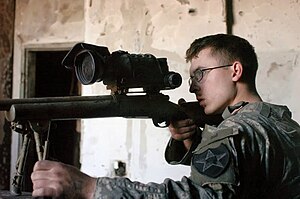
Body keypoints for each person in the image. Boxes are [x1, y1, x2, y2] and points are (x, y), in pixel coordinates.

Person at [31, 34, 300, 198]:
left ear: (235, 70)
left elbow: (202, 196)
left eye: (200, 74)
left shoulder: (232, 133)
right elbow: (248, 179)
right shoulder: (282, 123)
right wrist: (191, 142)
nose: (193, 86)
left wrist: (90, 188)